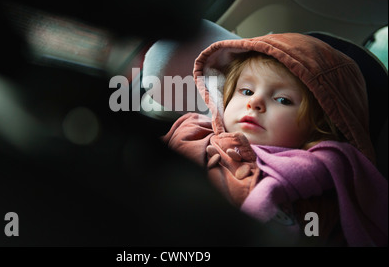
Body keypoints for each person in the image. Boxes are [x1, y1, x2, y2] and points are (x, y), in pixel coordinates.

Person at [163, 33, 387, 246]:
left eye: (282, 99)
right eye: (247, 91)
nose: (255, 102)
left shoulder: (322, 186)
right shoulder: (193, 134)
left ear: (318, 127)